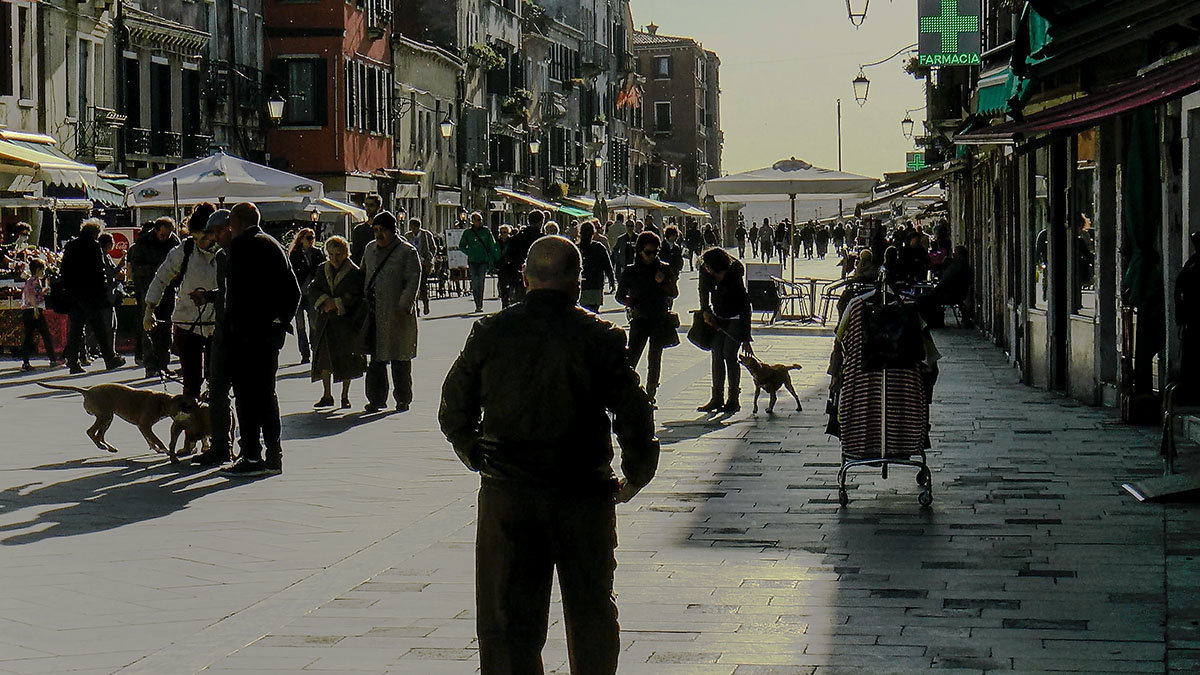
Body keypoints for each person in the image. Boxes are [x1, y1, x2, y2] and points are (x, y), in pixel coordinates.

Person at [439, 235, 659, 675]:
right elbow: (635, 413)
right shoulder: (600, 336)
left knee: (507, 617)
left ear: (524, 278)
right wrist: (635, 474)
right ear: (578, 281)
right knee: (591, 608)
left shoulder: (490, 332)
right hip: (582, 490)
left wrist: (477, 455)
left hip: (509, 494)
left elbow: (453, 409)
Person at [220, 202, 301, 477]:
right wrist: (279, 321)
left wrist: (236, 324)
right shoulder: (273, 245)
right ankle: (273, 453)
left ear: (237, 221)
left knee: (245, 395)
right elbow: (294, 291)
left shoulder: (241, 246)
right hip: (267, 336)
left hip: (245, 334)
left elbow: (237, 296)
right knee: (266, 394)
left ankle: (251, 454)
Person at [143, 203, 221, 400]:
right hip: (187, 323)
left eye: (204, 237)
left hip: (219, 324)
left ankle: (218, 424)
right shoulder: (185, 250)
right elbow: (160, 278)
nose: (200, 242)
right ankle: (191, 424)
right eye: (195, 237)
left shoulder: (226, 251)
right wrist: (149, 309)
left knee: (219, 382)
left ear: (215, 233)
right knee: (191, 383)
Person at [362, 211, 422, 413]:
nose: (379, 235)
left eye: (382, 230)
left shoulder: (407, 252)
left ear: (393, 230)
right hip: (374, 313)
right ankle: (376, 399)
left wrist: (404, 305)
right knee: (376, 359)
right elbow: (362, 275)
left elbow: (413, 280)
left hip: (398, 315)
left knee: (400, 358)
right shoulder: (369, 250)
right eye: (376, 230)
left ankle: (403, 398)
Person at [191, 209, 235, 467]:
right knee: (217, 388)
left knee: (243, 392)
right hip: (221, 330)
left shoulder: (243, 253)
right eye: (212, 233)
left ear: (231, 227)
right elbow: (228, 292)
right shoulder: (221, 256)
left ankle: (250, 446)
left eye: (218, 231)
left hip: (243, 333)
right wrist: (208, 296)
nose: (215, 237)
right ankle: (220, 446)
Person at [617, 231, 679, 407]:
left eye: (655, 252)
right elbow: (619, 295)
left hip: (659, 318)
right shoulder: (631, 271)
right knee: (632, 356)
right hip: (640, 318)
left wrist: (663, 283)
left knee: (655, 357)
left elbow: (674, 293)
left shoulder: (664, 269)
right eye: (648, 252)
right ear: (639, 250)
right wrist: (631, 301)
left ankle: (651, 394)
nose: (652, 256)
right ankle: (627, 391)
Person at [306, 236, 367, 409]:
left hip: (346, 324)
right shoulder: (322, 270)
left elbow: (357, 295)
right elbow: (313, 288)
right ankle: (327, 394)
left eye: (338, 254)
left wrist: (339, 303)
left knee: (346, 359)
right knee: (324, 359)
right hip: (326, 322)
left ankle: (344, 396)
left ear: (346, 253)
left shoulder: (354, 272)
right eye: (331, 254)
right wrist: (324, 301)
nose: (335, 258)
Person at [60, 219, 125, 374]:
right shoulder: (94, 247)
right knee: (99, 328)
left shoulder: (70, 246)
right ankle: (109, 358)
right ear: (96, 233)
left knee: (76, 330)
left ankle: (73, 362)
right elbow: (99, 272)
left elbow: (64, 270)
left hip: (73, 294)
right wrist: (102, 294)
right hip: (90, 294)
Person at [697, 247, 751, 413]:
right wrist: (705, 309)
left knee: (729, 354)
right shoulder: (706, 270)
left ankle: (733, 399)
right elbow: (703, 290)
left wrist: (746, 336)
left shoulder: (735, 273)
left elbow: (745, 305)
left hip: (735, 317)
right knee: (717, 353)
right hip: (718, 316)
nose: (715, 276)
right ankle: (717, 397)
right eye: (712, 272)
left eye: (718, 273)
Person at [128, 217, 180, 376]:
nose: (165, 237)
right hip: (148, 288)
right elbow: (137, 268)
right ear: (156, 231)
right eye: (163, 234)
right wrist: (158, 272)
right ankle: (150, 366)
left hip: (169, 289)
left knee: (166, 327)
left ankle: (163, 364)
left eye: (168, 234)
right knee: (149, 327)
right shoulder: (143, 243)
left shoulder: (174, 242)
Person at [288, 227, 325, 364]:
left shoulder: (317, 253)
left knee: (314, 323)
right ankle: (304, 354)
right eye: (308, 238)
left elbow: (322, 271)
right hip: (298, 294)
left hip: (312, 294)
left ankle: (315, 349)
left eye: (313, 238)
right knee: (300, 325)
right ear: (301, 239)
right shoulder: (295, 254)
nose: (311, 241)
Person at [498, 210, 546, 306]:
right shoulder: (542, 239)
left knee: (520, 306)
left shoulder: (516, 238)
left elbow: (509, 257)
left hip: (519, 277)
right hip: (539, 279)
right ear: (541, 222)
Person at [20, 258, 57, 371]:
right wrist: (36, 309)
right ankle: (53, 359)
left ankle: (26, 362)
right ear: (37, 269)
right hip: (33, 310)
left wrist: (45, 289)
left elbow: (35, 294)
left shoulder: (31, 281)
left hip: (28, 311)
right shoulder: (34, 280)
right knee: (45, 335)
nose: (43, 272)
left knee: (28, 337)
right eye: (42, 269)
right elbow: (31, 296)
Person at [460, 212, 500, 313]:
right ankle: (476, 302)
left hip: (483, 261)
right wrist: (469, 252)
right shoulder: (468, 233)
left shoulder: (486, 231)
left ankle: (480, 305)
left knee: (481, 281)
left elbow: (492, 245)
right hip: (473, 260)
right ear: (472, 221)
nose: (479, 222)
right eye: (477, 220)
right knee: (475, 282)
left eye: (480, 220)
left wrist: (492, 260)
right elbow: (461, 245)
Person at [578, 220, 615, 313]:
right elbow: (607, 266)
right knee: (593, 313)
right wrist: (612, 281)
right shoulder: (599, 247)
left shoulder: (576, 248)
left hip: (580, 287)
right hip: (596, 285)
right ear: (593, 233)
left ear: (580, 233)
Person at [405, 217, 436, 315]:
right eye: (411, 228)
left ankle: (425, 303)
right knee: (413, 286)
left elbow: (433, 248)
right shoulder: (407, 236)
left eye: (414, 228)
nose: (412, 230)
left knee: (423, 285)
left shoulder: (426, 235)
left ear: (418, 227)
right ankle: (416, 306)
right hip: (412, 264)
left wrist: (428, 259)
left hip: (423, 264)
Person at [350, 193, 384, 265]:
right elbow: (355, 254)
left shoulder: (386, 230)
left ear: (379, 207)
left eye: (371, 205)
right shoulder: (359, 230)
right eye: (366, 205)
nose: (368, 209)